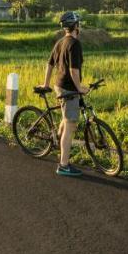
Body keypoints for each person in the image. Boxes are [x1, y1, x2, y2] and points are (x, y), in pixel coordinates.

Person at [43, 11, 87, 177]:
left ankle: (61, 144)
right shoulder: (74, 44)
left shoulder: (61, 42)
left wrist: (46, 84)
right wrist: (79, 88)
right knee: (71, 125)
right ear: (76, 26)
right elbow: (73, 70)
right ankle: (63, 165)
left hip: (59, 85)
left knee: (65, 119)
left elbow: (49, 64)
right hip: (69, 88)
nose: (79, 26)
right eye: (79, 23)